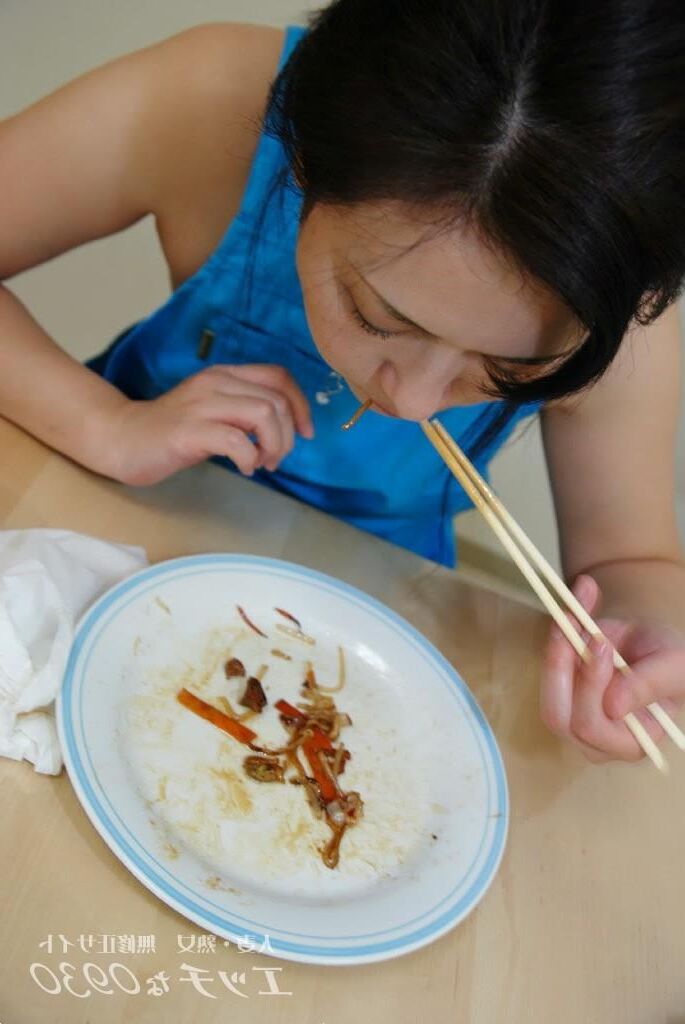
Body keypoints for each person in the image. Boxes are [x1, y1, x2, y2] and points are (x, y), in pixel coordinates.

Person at [0, 1, 683, 764]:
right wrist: (105, 424)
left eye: (507, 371)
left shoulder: (622, 303)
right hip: (90, 525)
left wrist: (646, 639)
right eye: (377, 316)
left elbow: (631, 565)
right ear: (303, 162)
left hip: (365, 628)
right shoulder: (211, 100)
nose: (412, 401)